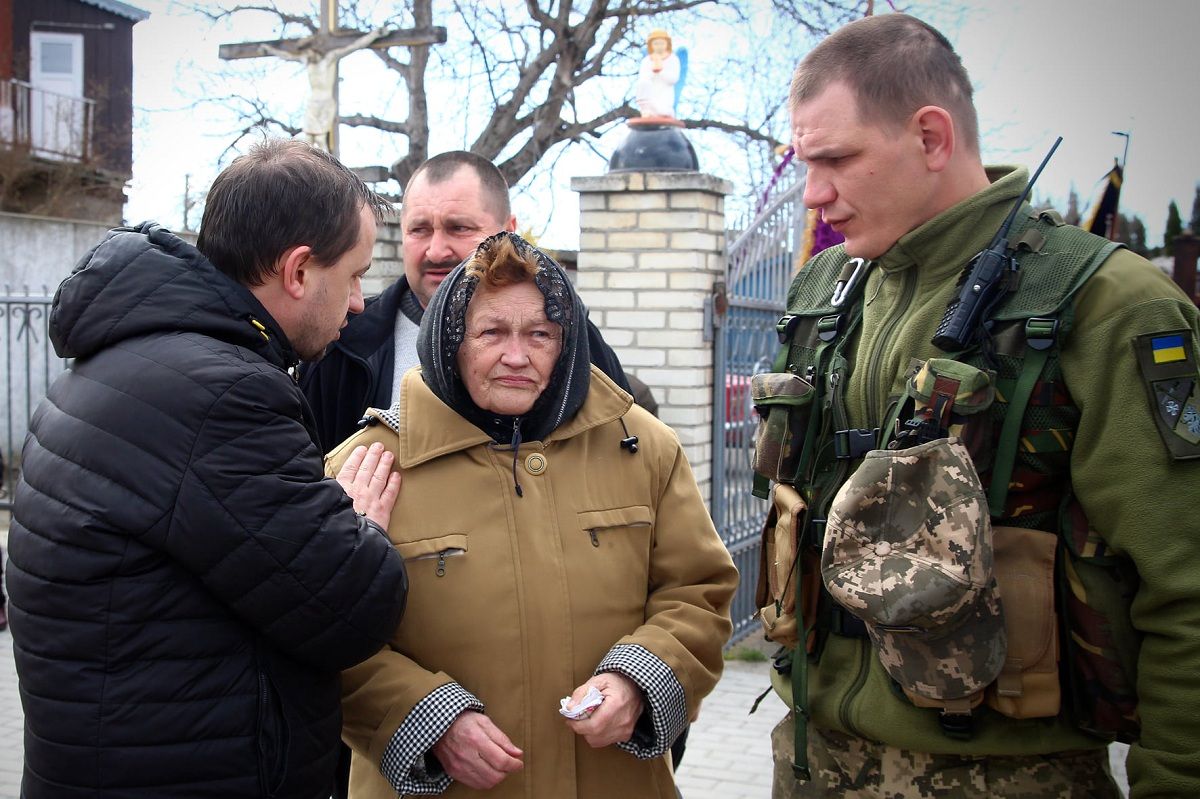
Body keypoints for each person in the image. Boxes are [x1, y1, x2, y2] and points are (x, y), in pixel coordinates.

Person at [760, 13, 1200, 798]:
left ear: (931, 137)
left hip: (1009, 775)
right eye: (804, 162)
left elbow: (1186, 586)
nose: (815, 194)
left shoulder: (1108, 305)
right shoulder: (822, 294)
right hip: (812, 760)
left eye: (835, 158)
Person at [6, 139, 410, 798]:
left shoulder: (131, 360)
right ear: (299, 271)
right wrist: (358, 522)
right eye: (356, 273)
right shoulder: (223, 397)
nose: (362, 301)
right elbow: (351, 607)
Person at [327, 231, 738, 798]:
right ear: (450, 342)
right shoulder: (367, 466)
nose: (516, 356)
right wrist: (420, 719)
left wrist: (643, 680)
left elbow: (699, 592)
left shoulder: (644, 447)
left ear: (566, 342)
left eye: (540, 334)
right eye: (491, 332)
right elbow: (322, 630)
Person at [300, 150, 629, 453]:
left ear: (509, 230)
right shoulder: (343, 343)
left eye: (459, 228)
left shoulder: (574, 343)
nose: (436, 250)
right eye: (419, 230)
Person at [634, 29, 681, 118]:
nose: (659, 46)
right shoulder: (647, 60)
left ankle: (663, 112)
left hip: (664, 90)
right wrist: (653, 71)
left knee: (663, 107)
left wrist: (661, 72)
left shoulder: (673, 59)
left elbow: (673, 79)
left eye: (662, 43)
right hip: (651, 89)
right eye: (656, 43)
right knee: (643, 84)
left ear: (667, 44)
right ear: (651, 45)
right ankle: (647, 111)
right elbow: (643, 77)